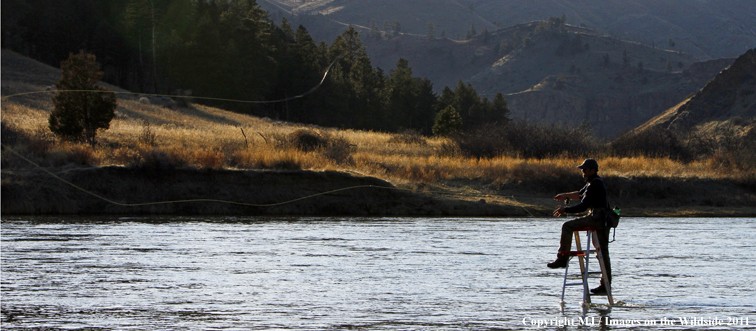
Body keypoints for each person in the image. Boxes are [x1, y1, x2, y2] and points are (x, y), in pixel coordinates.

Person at [547, 158, 612, 295]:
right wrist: (565, 195)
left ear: (592, 170)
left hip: (597, 218)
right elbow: (580, 194)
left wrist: (566, 210)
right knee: (603, 252)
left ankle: (562, 258)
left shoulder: (594, 184)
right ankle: (605, 286)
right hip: (602, 219)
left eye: (585, 169)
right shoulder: (594, 181)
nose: (582, 171)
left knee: (567, 226)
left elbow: (583, 206)